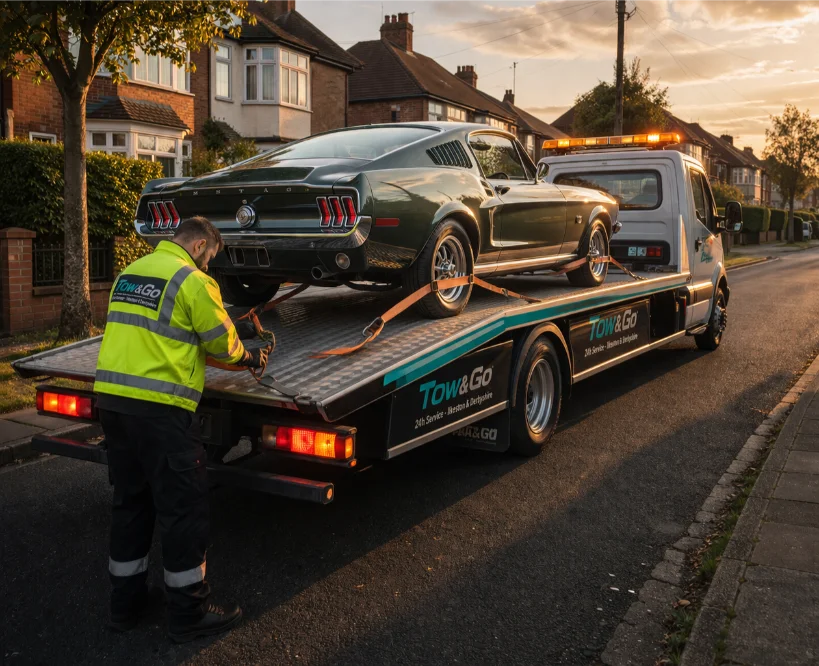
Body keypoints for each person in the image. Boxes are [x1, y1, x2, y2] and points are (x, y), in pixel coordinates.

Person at [94, 216, 267, 642]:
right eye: (210, 257)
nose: (209, 266)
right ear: (200, 245)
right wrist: (249, 356)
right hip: (162, 413)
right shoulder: (193, 280)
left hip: (113, 405)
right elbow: (220, 343)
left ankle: (125, 606)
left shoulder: (130, 273)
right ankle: (189, 613)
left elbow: (162, 331)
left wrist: (235, 325)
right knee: (182, 511)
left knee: (131, 503)